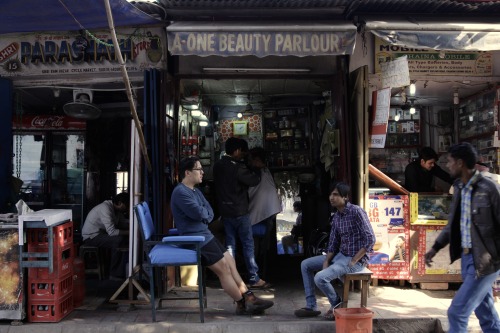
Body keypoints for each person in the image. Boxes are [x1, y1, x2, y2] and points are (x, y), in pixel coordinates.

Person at [171, 156, 274, 315]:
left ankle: (248, 296)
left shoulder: (195, 191)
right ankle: (243, 302)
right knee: (223, 269)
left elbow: (209, 212)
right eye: (198, 169)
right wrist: (204, 214)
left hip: (204, 234)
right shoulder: (180, 193)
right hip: (196, 239)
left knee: (230, 261)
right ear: (187, 172)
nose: (202, 172)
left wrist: (204, 214)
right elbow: (199, 213)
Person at [424, 142, 500, 333]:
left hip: (485, 261)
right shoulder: (458, 187)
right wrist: (435, 248)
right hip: (467, 260)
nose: (447, 166)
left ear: (460, 163)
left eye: (449, 161)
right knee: (486, 312)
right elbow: (453, 226)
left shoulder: (489, 188)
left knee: (457, 312)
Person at [294, 182, 376, 320]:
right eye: (330, 194)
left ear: (345, 197)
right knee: (305, 265)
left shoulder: (357, 212)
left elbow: (370, 239)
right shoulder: (337, 216)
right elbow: (333, 242)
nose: (331, 197)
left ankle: (337, 304)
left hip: (355, 260)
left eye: (336, 194)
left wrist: (355, 260)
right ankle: (311, 306)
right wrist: (326, 260)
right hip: (339, 256)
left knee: (320, 278)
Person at [213, 137, 270, 289]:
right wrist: (256, 168)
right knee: (247, 244)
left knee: (230, 245)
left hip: (225, 212)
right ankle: (253, 277)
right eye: (243, 153)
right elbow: (253, 181)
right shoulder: (237, 167)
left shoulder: (217, 165)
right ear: (237, 151)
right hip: (239, 211)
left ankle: (231, 276)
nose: (243, 156)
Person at [247, 147, 281, 282]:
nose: (249, 162)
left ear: (257, 160)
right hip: (268, 216)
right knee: (260, 247)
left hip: (259, 219)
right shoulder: (266, 172)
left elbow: (250, 196)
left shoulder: (258, 174)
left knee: (252, 245)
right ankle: (259, 271)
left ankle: (254, 273)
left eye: (251, 160)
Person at [81, 192, 129, 279]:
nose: (127, 208)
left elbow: (123, 222)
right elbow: (112, 232)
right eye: (126, 205)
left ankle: (119, 271)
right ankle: (114, 274)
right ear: (120, 203)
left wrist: (133, 224)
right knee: (118, 240)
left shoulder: (117, 210)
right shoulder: (106, 208)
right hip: (91, 237)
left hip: (100, 234)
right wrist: (129, 232)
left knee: (123, 239)